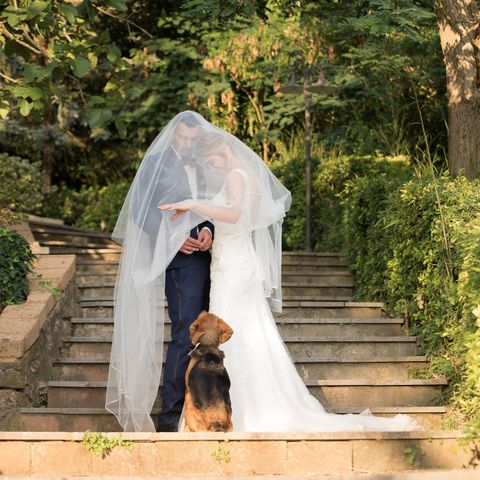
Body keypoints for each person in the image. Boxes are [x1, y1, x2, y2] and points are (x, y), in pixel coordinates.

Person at [158, 119, 419, 432]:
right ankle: (225, 406)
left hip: (235, 269)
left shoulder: (236, 176)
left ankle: (244, 409)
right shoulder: (234, 175)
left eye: (212, 162)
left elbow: (235, 214)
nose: (211, 168)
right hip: (227, 263)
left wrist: (193, 204)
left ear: (223, 151)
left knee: (241, 334)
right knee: (245, 335)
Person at [106, 112, 214, 432]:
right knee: (186, 333)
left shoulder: (202, 166)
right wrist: (173, 240)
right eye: (182, 139)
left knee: (206, 334)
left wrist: (208, 229)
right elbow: (141, 211)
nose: (187, 145)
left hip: (209, 258)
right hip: (178, 260)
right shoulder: (155, 164)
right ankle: (170, 415)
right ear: (172, 136)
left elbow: (205, 206)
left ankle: (202, 406)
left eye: (193, 140)